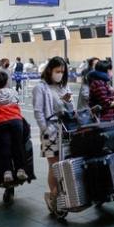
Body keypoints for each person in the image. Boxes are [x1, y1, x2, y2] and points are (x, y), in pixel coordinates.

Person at [33, 57, 75, 214]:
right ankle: (54, 195)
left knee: (64, 162)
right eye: (57, 71)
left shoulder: (63, 86)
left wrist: (68, 101)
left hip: (64, 129)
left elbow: (70, 108)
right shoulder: (41, 88)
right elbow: (38, 111)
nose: (60, 74)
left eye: (62, 72)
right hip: (50, 131)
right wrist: (45, 129)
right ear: (50, 70)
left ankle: (59, 195)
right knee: (54, 165)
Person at [0, 71, 29, 185]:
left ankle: (7, 172)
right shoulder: (13, 92)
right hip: (16, 122)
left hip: (0, 123)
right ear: (6, 83)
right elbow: (17, 101)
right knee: (17, 146)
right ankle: (20, 169)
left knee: (4, 147)